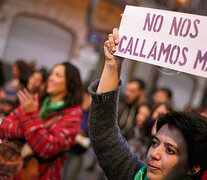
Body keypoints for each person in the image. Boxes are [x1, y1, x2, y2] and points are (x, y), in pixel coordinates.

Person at [88, 28, 207, 180]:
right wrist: (113, 64)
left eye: (170, 150)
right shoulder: (134, 175)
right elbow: (103, 133)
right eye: (155, 143)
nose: (154, 154)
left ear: (193, 167)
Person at [0, 62, 83, 180]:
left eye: (57, 75)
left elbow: (47, 147)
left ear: (70, 83)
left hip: (38, 174)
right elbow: (3, 127)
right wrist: (32, 129)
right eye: (52, 74)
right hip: (9, 169)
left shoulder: (72, 115)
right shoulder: (36, 101)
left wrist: (30, 116)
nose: (51, 78)